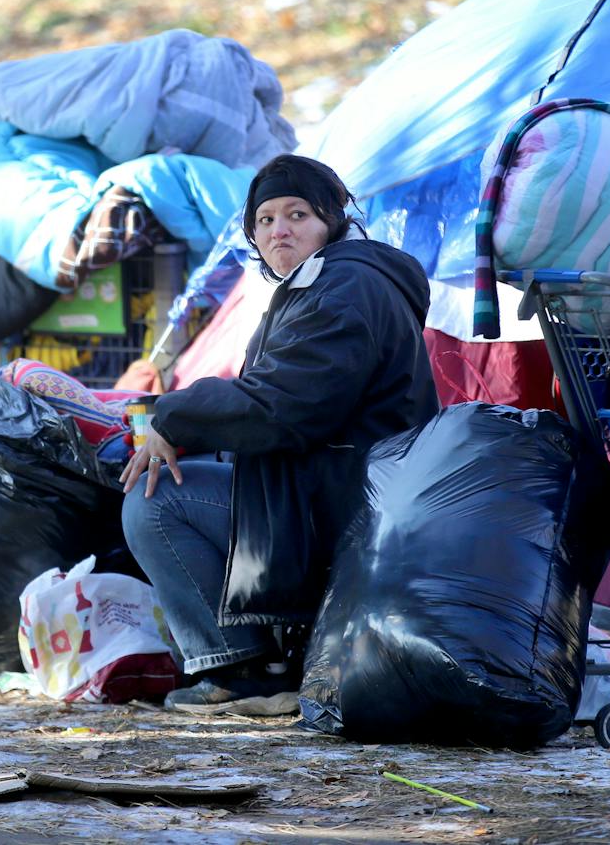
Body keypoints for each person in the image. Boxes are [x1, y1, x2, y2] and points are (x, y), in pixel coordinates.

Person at [121, 154, 439, 716]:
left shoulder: (345, 287)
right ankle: (271, 659)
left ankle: (244, 672)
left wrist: (170, 415)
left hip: (346, 512)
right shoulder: (326, 280)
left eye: (297, 214)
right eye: (264, 220)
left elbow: (282, 407)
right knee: (171, 477)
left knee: (156, 499)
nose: (279, 230)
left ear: (332, 219)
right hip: (339, 492)